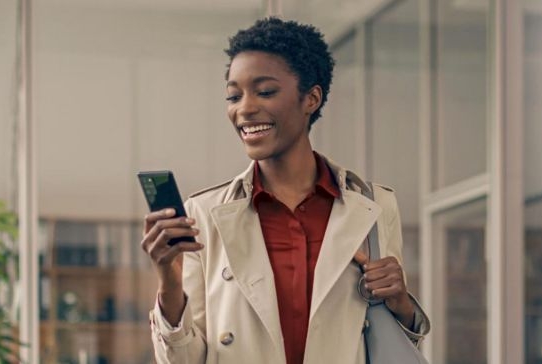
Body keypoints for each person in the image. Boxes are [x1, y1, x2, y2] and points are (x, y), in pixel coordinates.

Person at [141, 17, 429, 364]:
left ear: (311, 98)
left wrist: (400, 300)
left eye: (265, 91)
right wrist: (169, 281)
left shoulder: (372, 205)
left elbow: (391, 344)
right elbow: (184, 360)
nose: (244, 108)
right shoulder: (205, 214)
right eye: (234, 95)